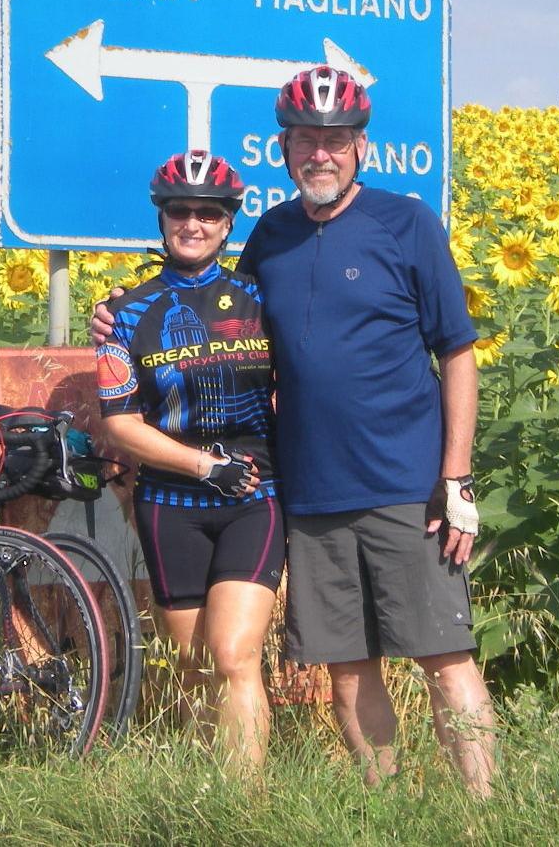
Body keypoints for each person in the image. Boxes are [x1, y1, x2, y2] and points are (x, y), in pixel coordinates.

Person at [95, 67, 497, 795]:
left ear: (361, 148)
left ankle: (487, 816)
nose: (321, 153)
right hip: (308, 493)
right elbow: (215, 311)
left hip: (406, 484)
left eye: (336, 140)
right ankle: (390, 811)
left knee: (445, 655)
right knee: (346, 670)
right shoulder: (272, 237)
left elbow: (458, 351)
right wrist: (118, 315)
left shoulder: (407, 224)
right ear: (284, 148)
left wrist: (457, 475)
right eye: (306, 139)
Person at [95, 150, 285, 775]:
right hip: (170, 505)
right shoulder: (125, 314)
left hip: (252, 500)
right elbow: (120, 424)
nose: (194, 223)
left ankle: (245, 810)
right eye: (182, 210)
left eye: (210, 212)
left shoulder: (259, 297)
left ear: (229, 223)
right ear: (163, 217)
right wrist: (203, 467)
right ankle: (211, 796)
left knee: (233, 655)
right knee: (197, 667)